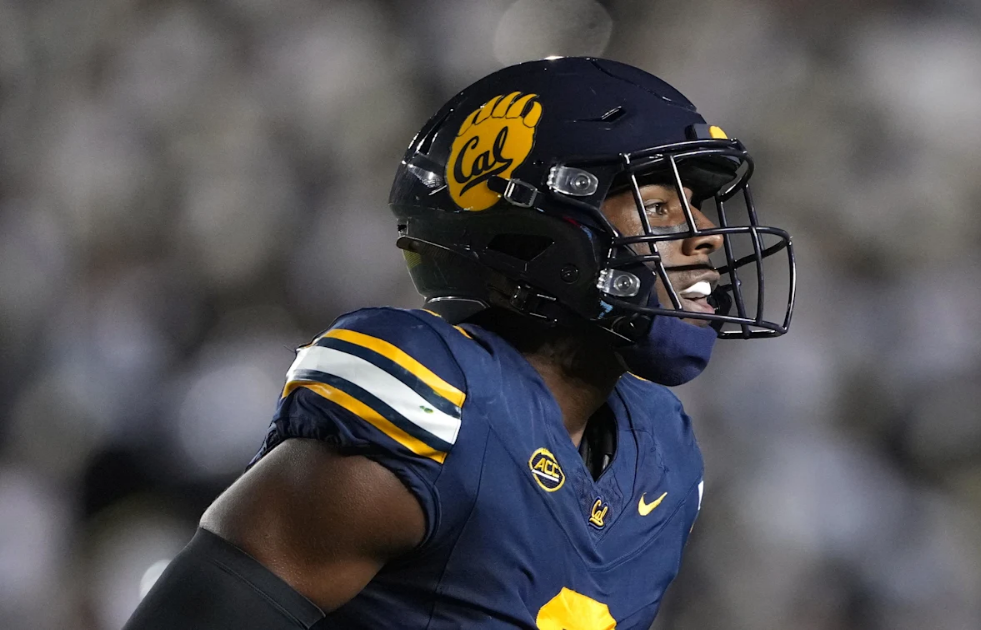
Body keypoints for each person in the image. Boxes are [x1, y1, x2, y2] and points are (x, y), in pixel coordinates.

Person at [124, 56, 795, 630]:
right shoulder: (439, 414)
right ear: (541, 224)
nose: (706, 236)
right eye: (660, 207)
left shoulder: (663, 458)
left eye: (698, 207)